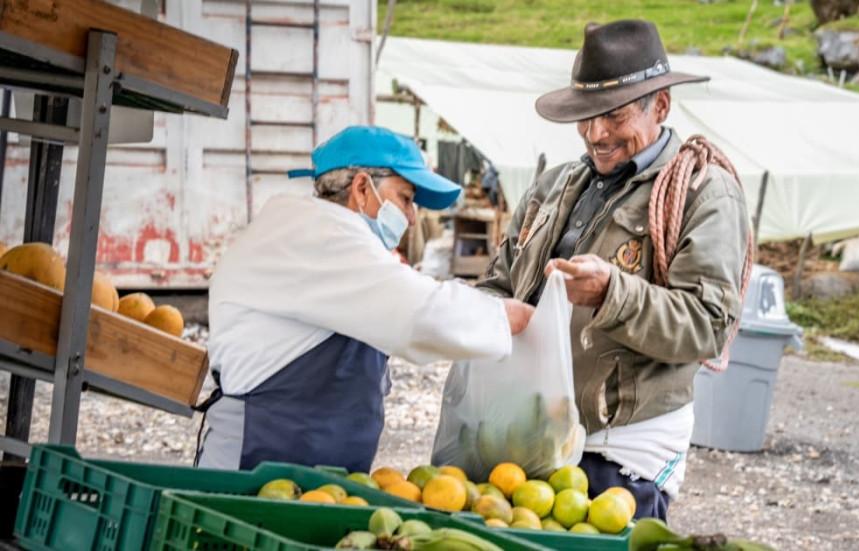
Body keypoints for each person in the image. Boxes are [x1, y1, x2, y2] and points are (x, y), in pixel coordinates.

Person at [476, 20, 751, 520]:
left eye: (614, 115)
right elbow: (501, 281)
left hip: (621, 449)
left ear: (661, 106)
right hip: (527, 430)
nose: (596, 133)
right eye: (586, 117)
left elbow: (709, 324)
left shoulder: (704, 193)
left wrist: (611, 294)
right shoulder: (554, 186)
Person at [197, 126, 534, 472]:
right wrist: (510, 316)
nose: (413, 218)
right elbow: (420, 315)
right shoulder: (319, 237)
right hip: (255, 466)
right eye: (406, 199)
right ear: (361, 188)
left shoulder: (316, 233)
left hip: (299, 473)